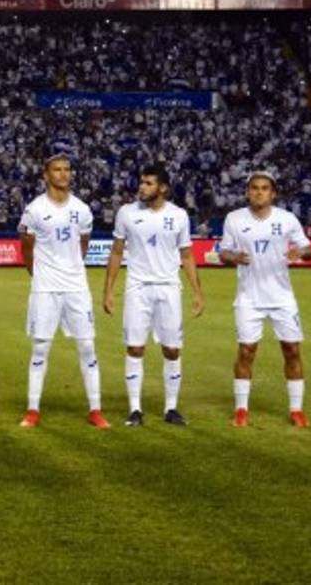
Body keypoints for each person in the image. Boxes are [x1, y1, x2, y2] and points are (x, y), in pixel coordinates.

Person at [103, 165, 205, 427]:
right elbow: (117, 252)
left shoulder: (179, 215)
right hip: (137, 288)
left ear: (163, 188)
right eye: (141, 182)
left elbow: (186, 255)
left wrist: (197, 292)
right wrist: (108, 290)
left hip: (169, 288)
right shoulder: (126, 213)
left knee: (172, 349)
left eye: (148, 183)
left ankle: (171, 408)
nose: (142, 187)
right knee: (135, 348)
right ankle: (135, 409)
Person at [218, 172, 311, 428]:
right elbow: (223, 252)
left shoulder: (287, 219)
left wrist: (299, 251)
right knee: (246, 352)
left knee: (292, 350)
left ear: (273, 193)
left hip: (282, 297)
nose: (259, 192)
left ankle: (296, 410)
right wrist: (234, 257)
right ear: (247, 192)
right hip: (248, 298)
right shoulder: (234, 219)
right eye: (254, 188)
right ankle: (241, 409)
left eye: (264, 188)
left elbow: (309, 250)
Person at [18, 156, 109, 429]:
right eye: (57, 170)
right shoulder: (34, 210)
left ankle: (95, 410)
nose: (63, 174)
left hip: (76, 287)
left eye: (67, 169)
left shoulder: (82, 210)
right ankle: (33, 410)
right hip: (45, 288)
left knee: (87, 346)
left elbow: (83, 244)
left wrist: (71, 268)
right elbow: (26, 247)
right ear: (46, 175)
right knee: (40, 348)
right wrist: (39, 274)